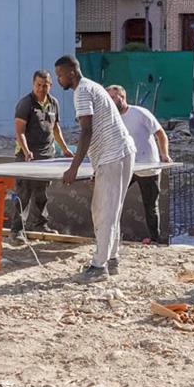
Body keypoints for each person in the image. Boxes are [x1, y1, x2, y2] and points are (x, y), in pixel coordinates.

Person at [54, 55, 135, 283]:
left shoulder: (81, 92)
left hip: (113, 155)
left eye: (60, 74)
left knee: (103, 212)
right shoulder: (93, 86)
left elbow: (86, 131)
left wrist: (74, 168)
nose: (59, 79)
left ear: (71, 73)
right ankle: (111, 259)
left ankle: (99, 267)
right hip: (121, 152)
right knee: (112, 210)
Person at [10, 70, 73, 244]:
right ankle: (17, 230)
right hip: (27, 157)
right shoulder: (25, 104)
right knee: (23, 194)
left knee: (41, 193)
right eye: (38, 85)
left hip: (47, 157)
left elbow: (55, 128)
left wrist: (65, 149)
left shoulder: (53, 103)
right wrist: (26, 150)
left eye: (44, 85)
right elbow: (19, 131)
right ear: (33, 84)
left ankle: (38, 224)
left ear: (50, 85)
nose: (41, 88)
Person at [105, 85, 172, 244]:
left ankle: (155, 239)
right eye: (109, 98)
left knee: (150, 206)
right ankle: (110, 235)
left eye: (114, 97)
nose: (111, 101)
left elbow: (160, 133)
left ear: (122, 97)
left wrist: (164, 154)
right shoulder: (110, 118)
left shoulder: (140, 113)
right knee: (112, 199)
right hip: (125, 165)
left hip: (147, 165)